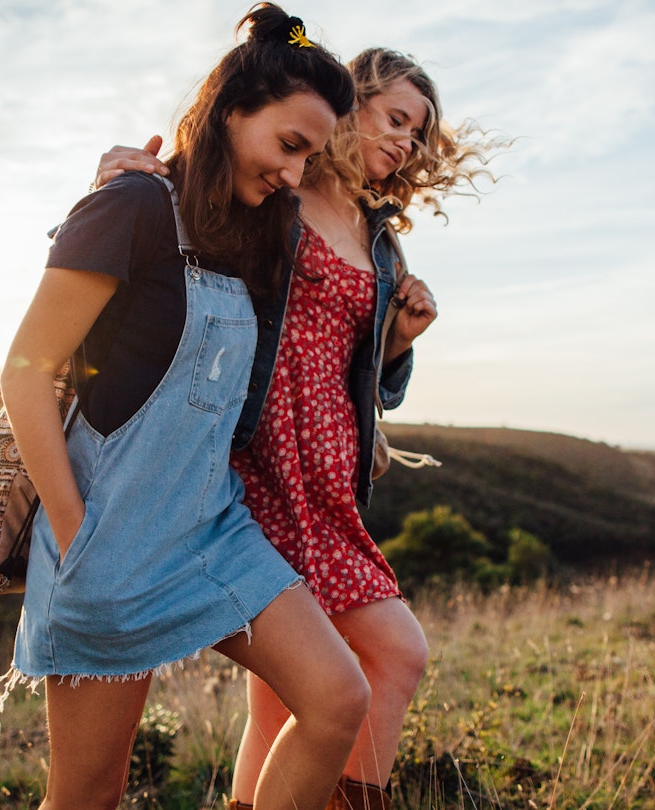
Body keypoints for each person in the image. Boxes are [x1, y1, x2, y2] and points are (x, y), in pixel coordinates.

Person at [93, 46, 499, 810]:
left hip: (327, 474)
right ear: (352, 106)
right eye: (396, 120)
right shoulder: (275, 188)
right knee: (395, 652)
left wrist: (399, 342)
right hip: (252, 461)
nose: (405, 143)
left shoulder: (383, 238)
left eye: (417, 135)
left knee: (285, 703)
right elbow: (177, 219)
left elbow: (365, 375)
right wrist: (119, 178)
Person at [0, 7, 369, 809]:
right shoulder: (130, 209)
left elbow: (346, 292)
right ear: (231, 110)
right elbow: (24, 373)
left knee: (340, 698)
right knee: (88, 794)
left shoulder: (264, 232)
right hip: (109, 542)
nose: (296, 175)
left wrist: (399, 339)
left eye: (311, 156)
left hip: (214, 531)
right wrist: (76, 534)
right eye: (290, 146)